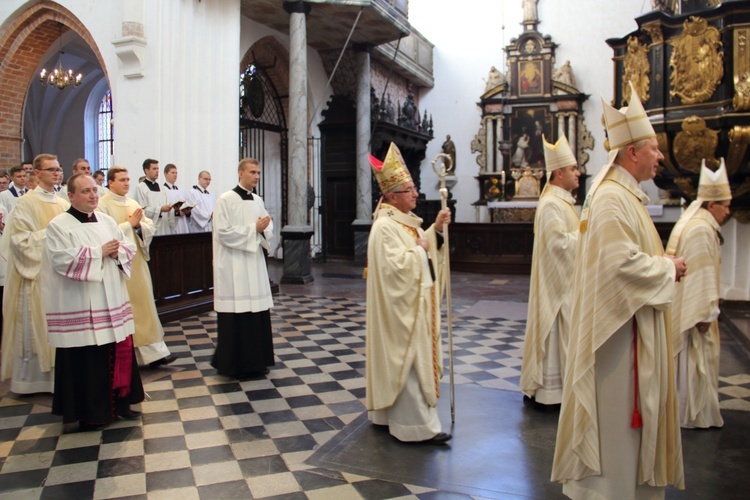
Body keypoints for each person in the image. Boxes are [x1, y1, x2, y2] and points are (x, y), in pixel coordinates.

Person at [552, 82, 686, 498]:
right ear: (632, 153)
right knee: (615, 424)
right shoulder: (611, 198)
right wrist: (667, 266)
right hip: (619, 336)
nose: (660, 156)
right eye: (654, 148)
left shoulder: (622, 194)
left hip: (628, 327)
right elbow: (618, 265)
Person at [365, 142, 452, 444]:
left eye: (414, 188)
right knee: (409, 362)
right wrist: (419, 252)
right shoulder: (384, 227)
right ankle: (415, 427)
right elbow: (394, 270)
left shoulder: (403, 222)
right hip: (402, 312)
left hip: (413, 305)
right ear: (390, 196)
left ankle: (389, 415)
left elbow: (419, 246)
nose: (416, 194)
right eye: (409, 190)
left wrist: (436, 231)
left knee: (409, 361)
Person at [43, 174, 143, 431]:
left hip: (111, 297)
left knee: (115, 352)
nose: (92, 195)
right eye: (86, 191)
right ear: (71, 195)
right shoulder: (58, 225)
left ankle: (120, 405)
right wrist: (99, 252)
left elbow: (126, 248)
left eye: (94, 191)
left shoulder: (108, 221)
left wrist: (117, 251)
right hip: (81, 303)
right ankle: (91, 413)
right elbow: (60, 260)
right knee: (89, 359)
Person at [666, 159, 731, 429]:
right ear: (711, 204)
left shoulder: (694, 221)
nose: (728, 211)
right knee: (694, 361)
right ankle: (693, 415)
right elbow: (700, 277)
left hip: (682, 303)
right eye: (725, 205)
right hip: (694, 312)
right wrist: (705, 311)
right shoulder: (702, 228)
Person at [0, 154, 69, 394]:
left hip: (60, 275)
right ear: (37, 174)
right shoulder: (25, 203)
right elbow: (20, 242)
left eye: (58, 169)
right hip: (36, 275)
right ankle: (32, 382)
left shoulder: (62, 203)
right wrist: (51, 232)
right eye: (51, 170)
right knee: (35, 324)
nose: (57, 173)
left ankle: (59, 378)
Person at [520, 135, 580, 407]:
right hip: (557, 286)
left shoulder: (563, 201)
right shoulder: (551, 204)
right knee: (554, 335)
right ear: (559, 173)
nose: (578, 173)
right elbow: (558, 245)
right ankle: (550, 393)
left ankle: (559, 391)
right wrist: (590, 238)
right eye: (573, 169)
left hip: (567, 283)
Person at [97, 166, 177, 369]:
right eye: (122, 180)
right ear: (111, 182)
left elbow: (148, 226)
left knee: (144, 306)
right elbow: (102, 234)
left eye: (127, 179)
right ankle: (127, 355)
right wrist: (128, 225)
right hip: (117, 266)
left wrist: (139, 226)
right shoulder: (102, 205)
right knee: (126, 309)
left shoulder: (132, 203)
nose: (126, 183)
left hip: (137, 263)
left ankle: (154, 353)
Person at [211, 158, 275, 379]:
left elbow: (268, 226)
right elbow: (223, 232)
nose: (257, 176)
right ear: (240, 173)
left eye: (258, 172)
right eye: (252, 172)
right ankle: (233, 365)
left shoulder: (258, 199)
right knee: (236, 316)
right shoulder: (225, 200)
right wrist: (253, 229)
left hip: (254, 264)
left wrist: (264, 229)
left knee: (256, 314)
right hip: (233, 266)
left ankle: (257, 362)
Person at [133, 158, 174, 236]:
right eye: (154, 169)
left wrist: (173, 210)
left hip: (164, 227)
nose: (157, 171)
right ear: (146, 171)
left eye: (158, 169)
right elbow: (141, 210)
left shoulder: (161, 188)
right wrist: (160, 209)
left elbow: (167, 205)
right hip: (151, 228)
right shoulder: (141, 188)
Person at [162, 163, 192, 234]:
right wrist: (177, 212)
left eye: (176, 173)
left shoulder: (181, 190)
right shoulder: (162, 190)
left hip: (182, 222)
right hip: (171, 222)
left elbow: (186, 203)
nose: (175, 175)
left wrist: (187, 211)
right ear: (165, 174)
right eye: (172, 173)